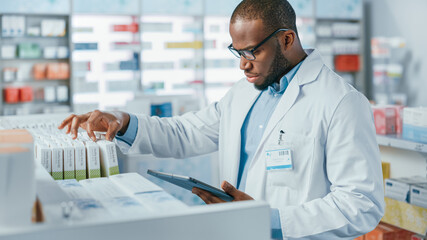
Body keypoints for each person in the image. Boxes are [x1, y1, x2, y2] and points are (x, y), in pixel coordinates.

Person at [59, 0, 385, 239]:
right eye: (237, 52)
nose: (243, 65)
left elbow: (360, 204)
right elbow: (186, 133)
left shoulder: (340, 102)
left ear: (286, 40)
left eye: (252, 52)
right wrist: (123, 120)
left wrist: (267, 219)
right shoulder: (243, 92)